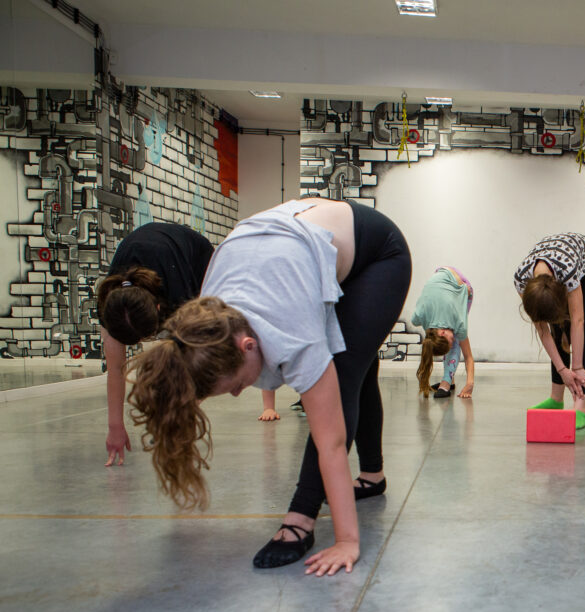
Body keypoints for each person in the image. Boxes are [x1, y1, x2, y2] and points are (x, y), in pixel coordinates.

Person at [126, 198, 411, 576]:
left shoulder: (292, 330)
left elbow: (331, 442)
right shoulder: (205, 316)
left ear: (248, 345)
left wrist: (346, 542)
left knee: (345, 375)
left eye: (236, 385)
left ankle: (301, 516)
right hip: (290, 244)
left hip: (379, 253)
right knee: (359, 362)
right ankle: (372, 477)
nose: (237, 393)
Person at [97, 223, 279, 469]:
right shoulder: (112, 304)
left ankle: (178, 419)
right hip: (152, 257)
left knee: (189, 359)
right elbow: (115, 369)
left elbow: (193, 364)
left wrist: (175, 418)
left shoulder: (178, 292)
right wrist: (114, 428)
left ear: (160, 310)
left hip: (195, 256)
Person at [514, 233, 585, 429]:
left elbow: (578, 320)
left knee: (584, 331)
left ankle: (580, 408)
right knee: (557, 333)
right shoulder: (521, 280)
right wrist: (562, 370)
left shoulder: (568, 272)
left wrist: (576, 367)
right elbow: (542, 329)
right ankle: (556, 400)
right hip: (559, 263)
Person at [411, 267, 475, 399]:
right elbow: (415, 319)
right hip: (439, 272)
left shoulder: (458, 321)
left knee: (457, 337)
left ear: (442, 333)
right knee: (432, 329)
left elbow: (468, 356)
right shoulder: (422, 316)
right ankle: (449, 380)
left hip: (462, 285)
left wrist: (470, 384)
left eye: (448, 343)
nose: (451, 343)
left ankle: (446, 381)